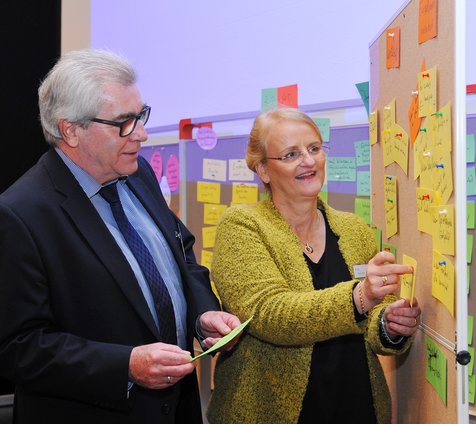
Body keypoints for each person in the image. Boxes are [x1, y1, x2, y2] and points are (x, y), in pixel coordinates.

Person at [0, 49, 241, 423]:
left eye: (141, 115)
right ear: (70, 130)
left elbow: (181, 254)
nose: (142, 134)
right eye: (124, 122)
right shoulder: (21, 213)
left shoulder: (138, 173)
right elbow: (18, 346)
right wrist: (125, 366)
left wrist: (202, 313)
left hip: (177, 409)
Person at [207, 108, 422, 424]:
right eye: (291, 154)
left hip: (356, 405)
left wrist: (388, 325)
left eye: (314, 148)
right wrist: (359, 298)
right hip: (271, 410)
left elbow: (372, 322)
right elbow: (268, 314)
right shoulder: (242, 226)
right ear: (264, 169)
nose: (308, 161)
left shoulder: (354, 229)